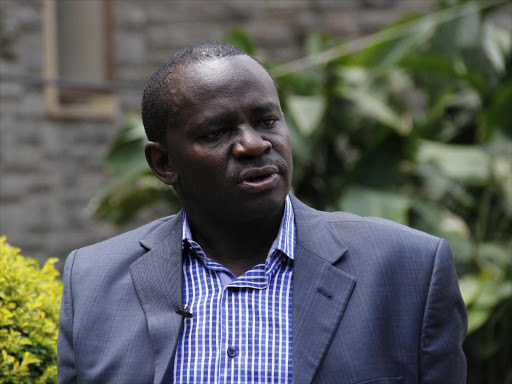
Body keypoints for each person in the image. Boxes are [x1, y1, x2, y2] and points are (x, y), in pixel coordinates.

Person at [57, 42, 467, 384]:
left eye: (267, 120)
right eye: (217, 132)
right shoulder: (93, 282)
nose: (253, 144)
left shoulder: (408, 270)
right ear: (165, 163)